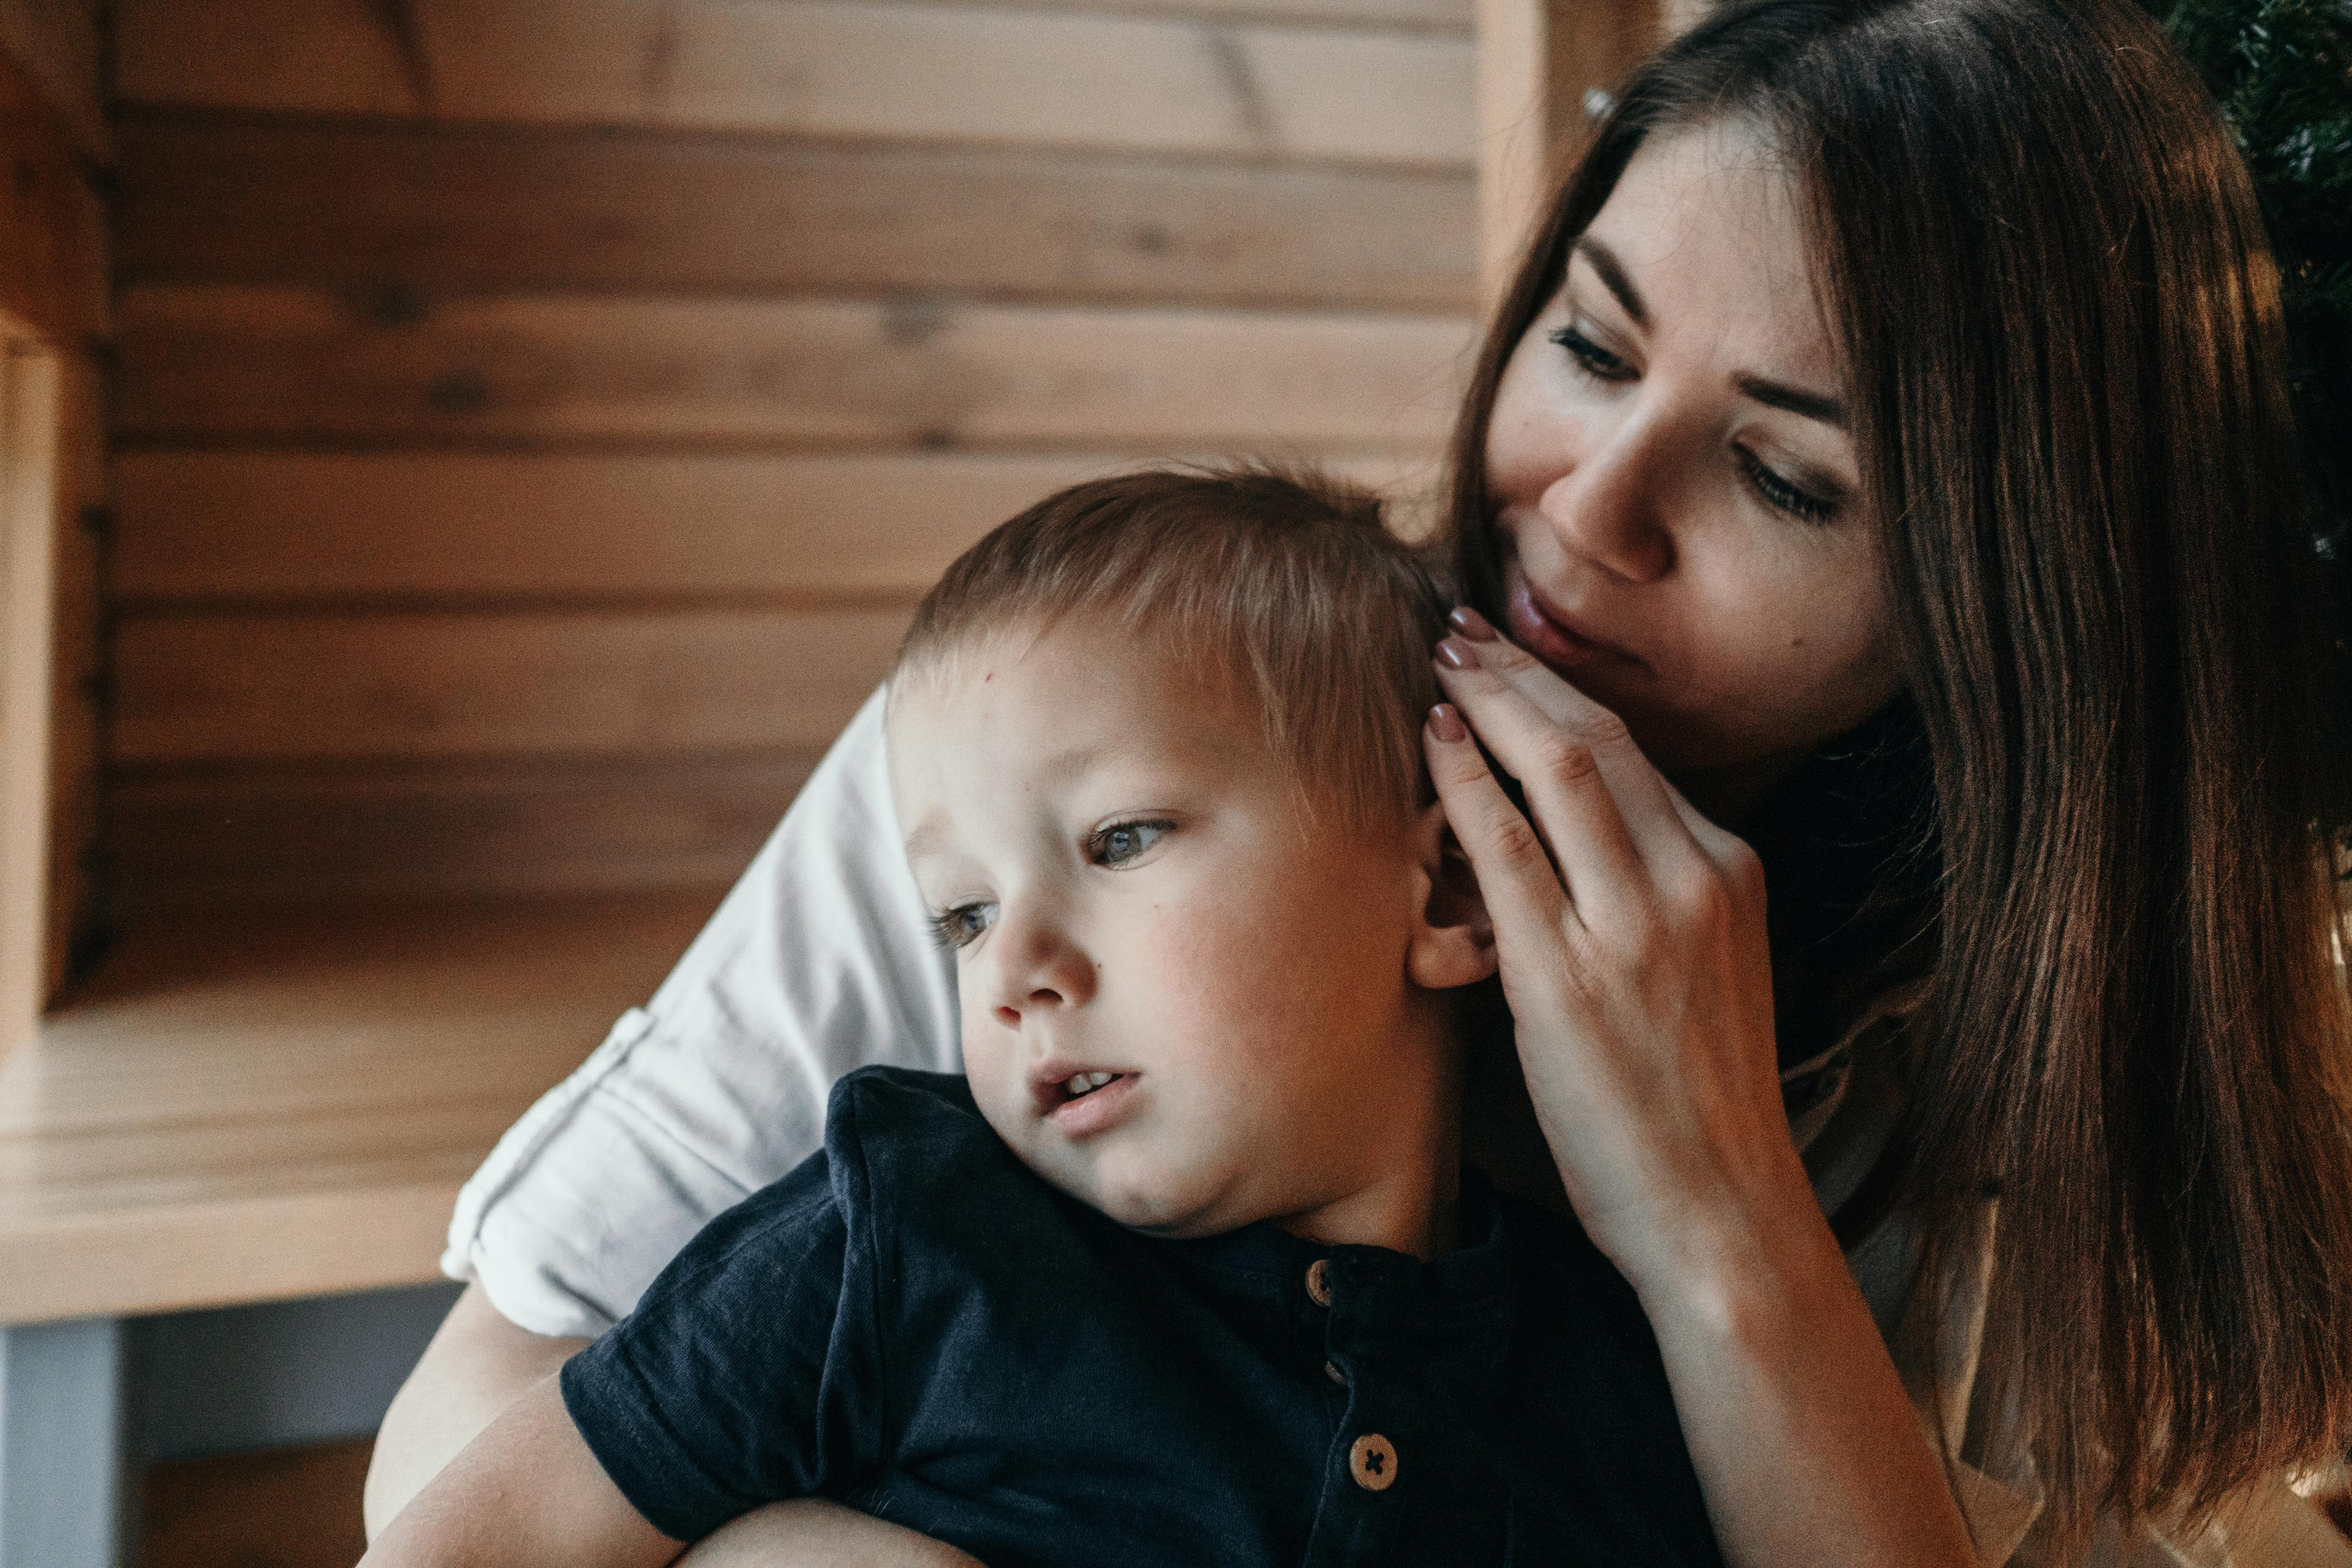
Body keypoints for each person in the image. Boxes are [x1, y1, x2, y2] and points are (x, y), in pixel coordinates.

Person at [366, 1, 2352, 1563]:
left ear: (2014, 605)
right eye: (1586, 343)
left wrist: (1712, 1216)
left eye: (1778, 476)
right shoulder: (1097, 730)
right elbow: (475, 1427)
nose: (1580, 509)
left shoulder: (2026, 1056)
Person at [359, 468, 1728, 1568]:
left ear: (1442, 890)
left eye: (1121, 838)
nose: (1012, 964)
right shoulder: (893, 1247)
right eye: (958, 918)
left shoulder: (1597, 1380)